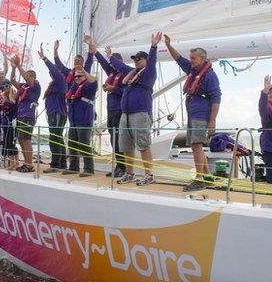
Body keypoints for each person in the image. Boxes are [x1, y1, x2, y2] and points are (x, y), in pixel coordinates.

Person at [164, 36, 222, 191]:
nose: (190, 61)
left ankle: (199, 178)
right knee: (196, 146)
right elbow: (178, 58)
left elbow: (216, 98)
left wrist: (212, 121)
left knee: (196, 145)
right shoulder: (192, 69)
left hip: (201, 114)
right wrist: (168, 45)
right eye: (190, 58)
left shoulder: (210, 76)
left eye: (193, 58)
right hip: (193, 112)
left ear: (202, 59)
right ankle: (208, 177)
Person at [109, 32, 162, 186]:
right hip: (125, 114)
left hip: (140, 113)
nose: (137, 61)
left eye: (140, 59)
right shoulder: (132, 73)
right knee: (126, 146)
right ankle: (130, 173)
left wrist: (153, 46)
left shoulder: (149, 73)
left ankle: (149, 175)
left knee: (144, 145)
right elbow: (120, 66)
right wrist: (110, 56)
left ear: (146, 60)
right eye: (135, 59)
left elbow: (152, 61)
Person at [93, 41, 130, 178]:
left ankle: (123, 167)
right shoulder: (112, 74)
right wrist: (95, 51)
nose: (112, 66)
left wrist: (113, 88)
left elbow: (126, 91)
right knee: (114, 139)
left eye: (115, 63)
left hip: (120, 109)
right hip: (111, 110)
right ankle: (119, 166)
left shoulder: (126, 74)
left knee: (120, 139)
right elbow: (103, 64)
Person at [40, 43, 69, 173]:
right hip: (54, 112)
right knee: (57, 137)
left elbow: (54, 69)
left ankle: (56, 164)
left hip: (57, 112)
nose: (51, 74)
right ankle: (61, 163)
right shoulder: (54, 84)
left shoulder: (60, 80)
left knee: (54, 138)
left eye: (53, 72)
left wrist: (45, 59)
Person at [10, 55, 41, 173]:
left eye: (28, 76)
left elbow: (27, 78)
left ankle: (29, 164)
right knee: (21, 139)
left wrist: (18, 65)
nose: (26, 77)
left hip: (28, 115)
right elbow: (13, 81)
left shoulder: (35, 85)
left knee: (26, 139)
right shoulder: (24, 86)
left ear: (33, 77)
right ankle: (26, 163)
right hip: (21, 115)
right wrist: (13, 68)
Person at [0, 85, 19, 170]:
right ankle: (11, 163)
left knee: (12, 143)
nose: (4, 89)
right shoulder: (4, 99)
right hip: (5, 124)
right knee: (7, 143)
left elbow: (12, 104)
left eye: (7, 87)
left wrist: (6, 96)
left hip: (11, 124)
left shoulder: (12, 98)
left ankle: (16, 163)